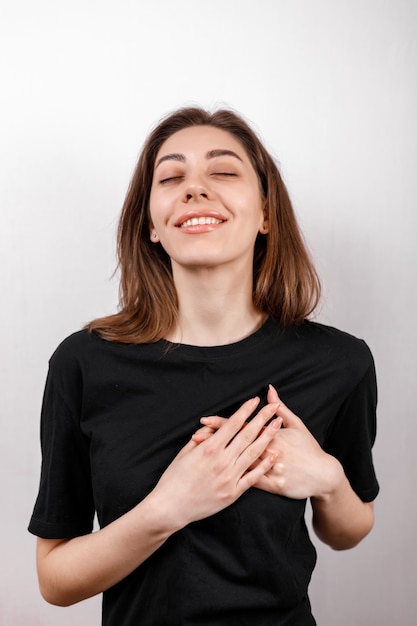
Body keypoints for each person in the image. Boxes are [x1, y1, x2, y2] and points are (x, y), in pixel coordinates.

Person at [28, 106, 379, 625]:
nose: (194, 188)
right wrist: (168, 508)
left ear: (265, 213)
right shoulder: (83, 363)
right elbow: (54, 580)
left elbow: (348, 530)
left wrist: (328, 480)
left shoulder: (339, 362)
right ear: (150, 224)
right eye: (171, 177)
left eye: (223, 171)